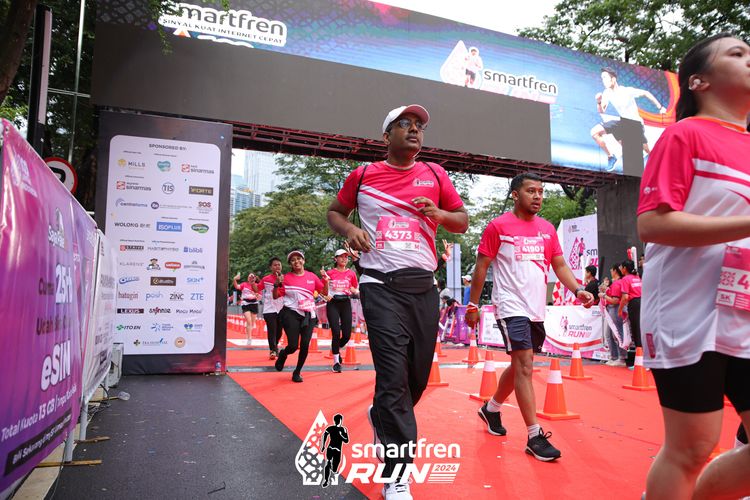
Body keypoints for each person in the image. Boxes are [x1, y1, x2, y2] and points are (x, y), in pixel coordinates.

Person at [327, 104, 468, 499]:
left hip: (423, 288)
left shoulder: (435, 174)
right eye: (404, 124)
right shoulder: (364, 175)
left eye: (419, 125)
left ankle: (382, 415)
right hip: (379, 285)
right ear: (386, 136)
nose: (414, 129)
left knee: (415, 380)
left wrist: (439, 213)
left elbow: (461, 220)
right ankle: (397, 474)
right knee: (392, 379)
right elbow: (335, 212)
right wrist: (350, 228)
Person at [636, 33, 750, 499]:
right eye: (738, 53)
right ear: (698, 81)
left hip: (745, 312)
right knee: (692, 447)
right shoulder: (684, 134)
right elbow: (652, 224)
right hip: (687, 311)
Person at [465, 172, 594, 462]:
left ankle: (491, 409)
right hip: (510, 305)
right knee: (524, 364)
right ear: (515, 195)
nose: (537, 196)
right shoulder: (498, 227)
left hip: (535, 309)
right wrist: (472, 305)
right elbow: (481, 267)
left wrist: (578, 290)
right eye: (531, 191)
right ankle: (534, 436)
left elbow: (559, 265)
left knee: (520, 365)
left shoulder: (547, 229)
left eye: (541, 191)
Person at [590, 66, 668, 171]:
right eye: (602, 78)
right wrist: (599, 102)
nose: (603, 80)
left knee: (645, 149)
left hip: (636, 124)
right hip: (623, 123)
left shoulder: (627, 91)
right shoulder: (607, 93)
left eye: (605, 77)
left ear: (613, 79)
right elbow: (601, 111)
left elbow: (646, 93)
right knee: (594, 132)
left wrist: (660, 107)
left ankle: (656, 159)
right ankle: (611, 157)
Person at [273, 250, 329, 383]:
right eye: (293, 260)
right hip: (291, 313)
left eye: (299, 258)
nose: (296, 261)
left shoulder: (312, 276)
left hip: (309, 314)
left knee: (305, 345)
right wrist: (276, 284)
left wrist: (326, 281)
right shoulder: (285, 278)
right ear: (290, 264)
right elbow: (275, 296)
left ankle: (297, 372)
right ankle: (283, 354)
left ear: (303, 261)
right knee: (293, 346)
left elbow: (324, 292)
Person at [325, 249, 359, 373]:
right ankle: (336, 362)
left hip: (345, 303)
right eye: (341, 257)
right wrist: (325, 295)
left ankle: (336, 347)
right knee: (335, 332)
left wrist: (355, 291)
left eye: (346, 257)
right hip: (333, 303)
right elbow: (323, 289)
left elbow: (354, 288)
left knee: (346, 335)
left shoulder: (351, 273)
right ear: (335, 259)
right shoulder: (329, 273)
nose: (344, 259)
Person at [259, 257, 285, 359]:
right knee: (272, 330)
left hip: (281, 308)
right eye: (275, 265)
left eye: (279, 264)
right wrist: (252, 283)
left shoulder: (285, 278)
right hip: (269, 308)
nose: (277, 266)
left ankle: (275, 346)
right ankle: (272, 350)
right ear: (271, 267)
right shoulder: (266, 279)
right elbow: (258, 288)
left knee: (279, 331)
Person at [601, 265, 627, 366]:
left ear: (615, 271)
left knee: (617, 334)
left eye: (611, 270)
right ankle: (614, 356)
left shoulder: (617, 283)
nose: (610, 272)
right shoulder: (615, 283)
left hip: (615, 309)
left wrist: (604, 296)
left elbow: (615, 300)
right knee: (608, 334)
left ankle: (622, 358)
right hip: (610, 309)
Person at [617, 259, 642, 349]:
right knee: (641, 327)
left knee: (636, 328)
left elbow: (625, 297)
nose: (620, 269)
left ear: (624, 268)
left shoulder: (625, 279)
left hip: (634, 304)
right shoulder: (637, 277)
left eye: (621, 267)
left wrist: (620, 310)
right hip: (643, 302)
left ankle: (639, 353)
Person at [320, 414, 349, 488]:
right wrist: (323, 445)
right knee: (328, 462)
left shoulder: (343, 429)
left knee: (334, 468)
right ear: (338, 421)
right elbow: (325, 435)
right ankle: (326, 480)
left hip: (336, 450)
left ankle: (333, 469)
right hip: (331, 448)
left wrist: (341, 435)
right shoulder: (331, 428)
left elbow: (346, 440)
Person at [233, 271, 259, 344]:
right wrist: (234, 279)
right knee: (249, 320)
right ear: (248, 278)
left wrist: (255, 294)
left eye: (252, 277)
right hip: (245, 303)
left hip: (254, 304)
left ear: (254, 278)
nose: (250, 278)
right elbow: (236, 286)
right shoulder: (244, 284)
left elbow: (259, 296)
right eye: (249, 277)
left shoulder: (257, 285)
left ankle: (248, 331)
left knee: (252, 323)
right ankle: (249, 338)